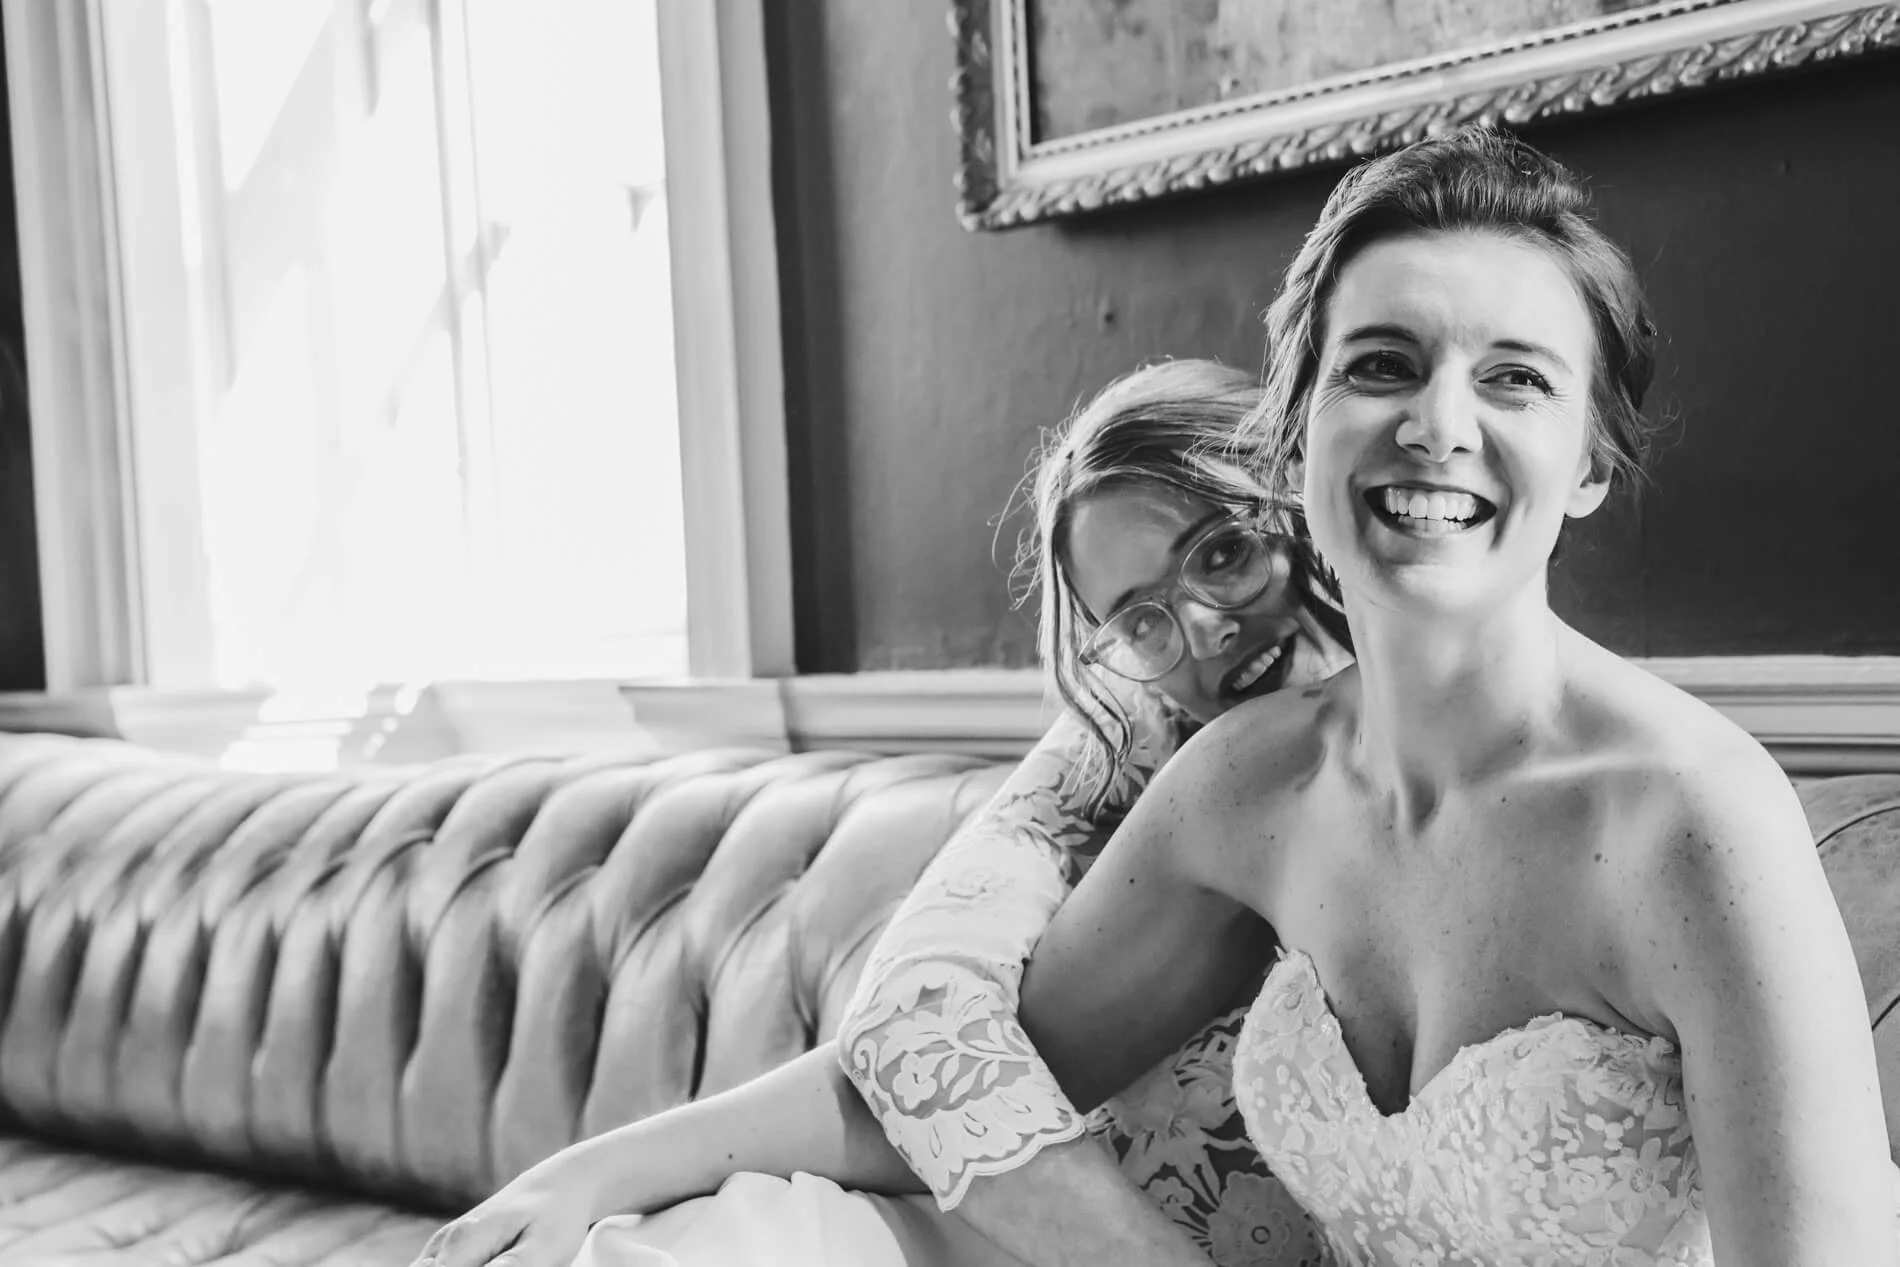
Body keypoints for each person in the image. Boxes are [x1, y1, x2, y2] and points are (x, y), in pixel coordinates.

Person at [1014, 127, 1900, 1267]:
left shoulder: (1692, 820)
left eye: (1515, 379)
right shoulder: (1244, 782)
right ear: (1291, 436)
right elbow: (972, 1077)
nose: (1436, 425)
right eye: (1380, 365)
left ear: (1588, 465)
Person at [412, 358, 1354, 1267]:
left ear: (1300, 489)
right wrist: (592, 1173)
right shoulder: (1130, 736)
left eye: (1224, 553)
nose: (1203, 630)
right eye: (1141, 621)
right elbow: (908, 1035)